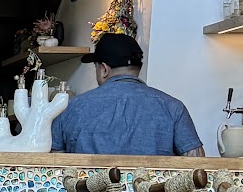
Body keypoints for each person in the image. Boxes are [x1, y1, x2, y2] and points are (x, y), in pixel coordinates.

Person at [50, 32, 203, 157]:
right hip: (152, 187)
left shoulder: (71, 107)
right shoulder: (173, 107)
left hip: (89, 187)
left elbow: (53, 165)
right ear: (138, 68)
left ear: (104, 69)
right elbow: (196, 166)